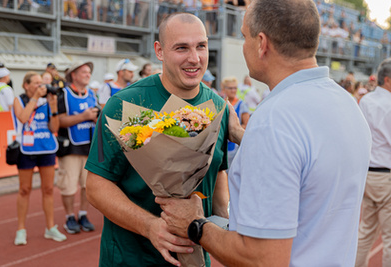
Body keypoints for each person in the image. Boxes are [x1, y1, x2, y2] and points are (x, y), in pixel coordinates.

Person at [156, 1, 372, 266]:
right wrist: (241, 134)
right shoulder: (347, 104)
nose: (243, 44)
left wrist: (196, 225)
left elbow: (263, 259)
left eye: (244, 36)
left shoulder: (275, 120)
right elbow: (305, 164)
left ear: (262, 43)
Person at [85, 13, 230, 267]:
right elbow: (96, 186)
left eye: (201, 46)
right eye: (181, 48)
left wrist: (223, 223)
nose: (194, 58)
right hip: (130, 260)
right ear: (159, 51)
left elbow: (219, 173)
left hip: (193, 259)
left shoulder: (219, 107)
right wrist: (150, 226)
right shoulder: (124, 105)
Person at [12, 72, 67, 246]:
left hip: (46, 148)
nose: (40, 86)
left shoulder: (47, 100)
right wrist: (35, 97)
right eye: (36, 83)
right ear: (26, 85)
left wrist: (53, 108)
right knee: (24, 189)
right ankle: (21, 229)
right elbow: (22, 118)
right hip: (26, 149)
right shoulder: (19, 100)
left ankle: (50, 227)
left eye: (41, 83)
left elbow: (54, 128)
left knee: (49, 189)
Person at [355, 58, 391, 267]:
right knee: (389, 238)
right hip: (386, 175)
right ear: (387, 79)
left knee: (365, 232)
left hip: (368, 174)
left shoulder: (366, 101)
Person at [56, 61, 98, 234]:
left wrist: (95, 118)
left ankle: (82, 214)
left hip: (89, 147)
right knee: (68, 185)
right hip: (70, 148)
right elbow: (59, 121)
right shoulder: (63, 94)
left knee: (87, 186)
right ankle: (69, 217)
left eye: (89, 72)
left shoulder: (92, 95)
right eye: (84, 72)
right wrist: (84, 116)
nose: (88, 75)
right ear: (73, 75)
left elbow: (95, 117)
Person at [221, 76, 249, 168]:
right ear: (224, 89)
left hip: (234, 146)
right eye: (230, 88)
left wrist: (233, 129)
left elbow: (247, 125)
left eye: (235, 88)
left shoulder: (242, 104)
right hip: (222, 143)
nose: (233, 90)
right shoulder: (220, 102)